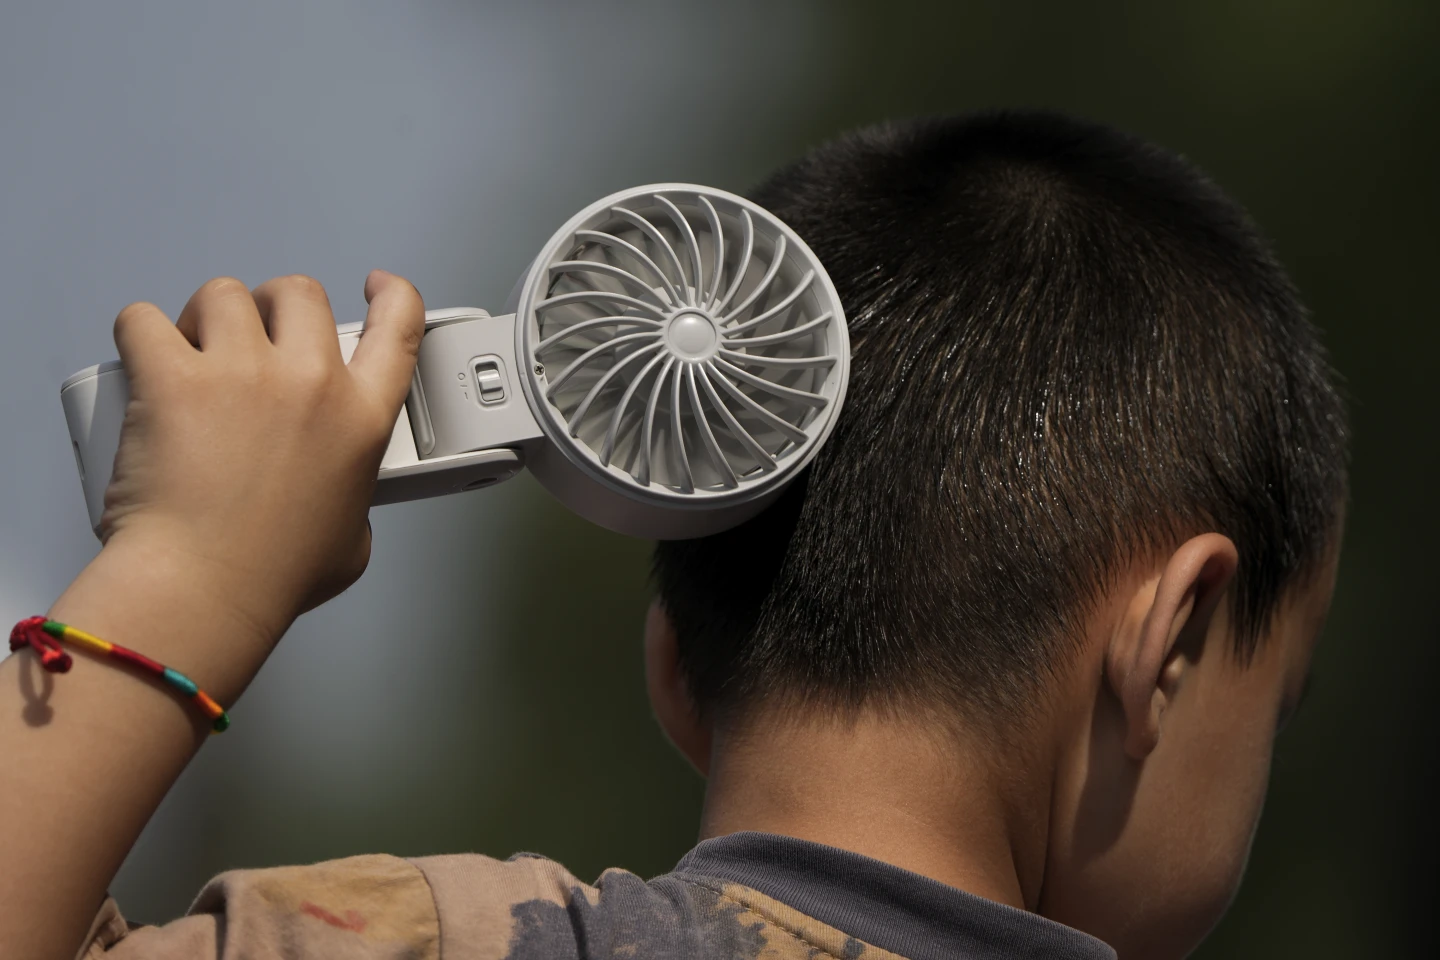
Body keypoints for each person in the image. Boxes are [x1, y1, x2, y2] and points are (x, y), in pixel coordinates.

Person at [0, 110, 1348, 960]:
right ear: (1168, 645)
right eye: (1276, 710)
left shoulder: (428, 942)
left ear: (673, 675)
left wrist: (186, 575)